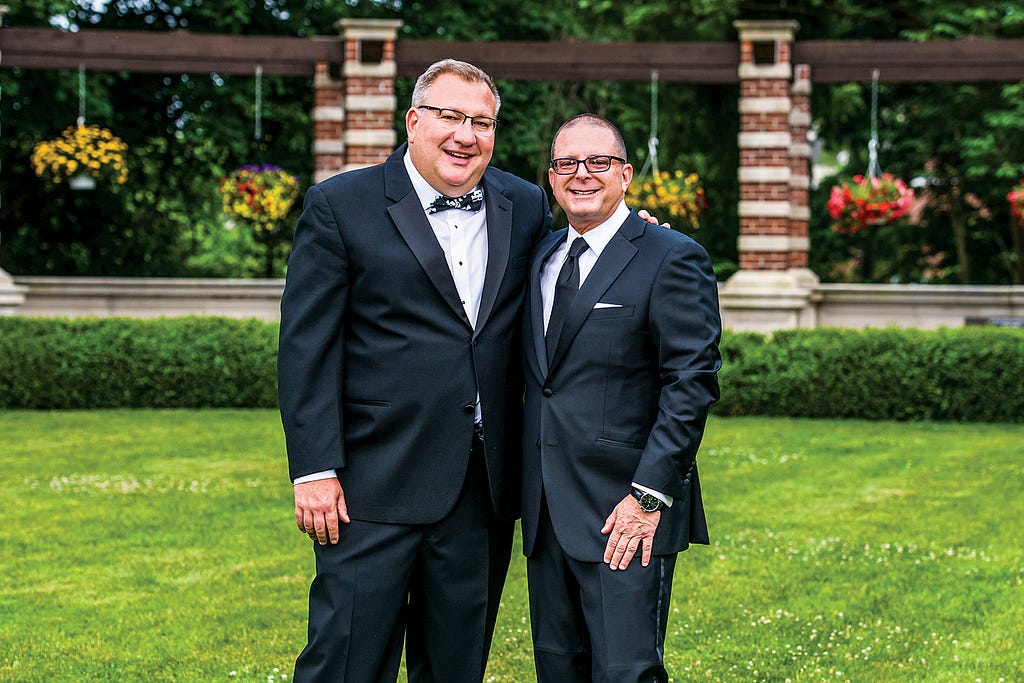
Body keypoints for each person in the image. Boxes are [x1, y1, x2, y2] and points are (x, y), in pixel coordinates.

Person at [277, 59, 552, 682]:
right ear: (413, 121)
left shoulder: (527, 205)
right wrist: (314, 469)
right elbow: (306, 348)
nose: (466, 135)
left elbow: (572, 263)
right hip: (368, 484)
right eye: (450, 117)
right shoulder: (339, 205)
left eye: (482, 122)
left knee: (456, 668)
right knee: (344, 662)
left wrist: (635, 237)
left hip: (482, 487)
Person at [520, 113, 722, 683]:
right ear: (552, 177)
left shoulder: (671, 257)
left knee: (626, 672)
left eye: (598, 162)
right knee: (558, 670)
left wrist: (649, 498)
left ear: (626, 174)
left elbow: (692, 383)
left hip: (626, 513)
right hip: (545, 513)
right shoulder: (540, 257)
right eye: (566, 163)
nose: (581, 174)